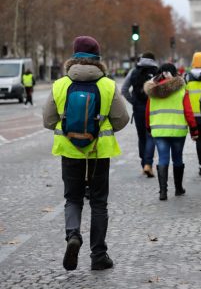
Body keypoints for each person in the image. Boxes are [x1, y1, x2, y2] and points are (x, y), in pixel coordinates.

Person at [42, 36, 129, 271]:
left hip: (69, 152)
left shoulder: (60, 85)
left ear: (73, 57)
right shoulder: (108, 85)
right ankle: (99, 255)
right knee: (99, 203)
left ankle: (73, 235)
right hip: (99, 153)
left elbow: (48, 120)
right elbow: (122, 120)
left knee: (73, 199)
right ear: (98, 59)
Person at [144, 63, 198, 200]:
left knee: (163, 158)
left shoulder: (153, 91)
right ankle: (178, 188)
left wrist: (148, 127)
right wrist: (194, 129)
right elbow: (188, 111)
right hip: (178, 130)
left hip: (159, 130)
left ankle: (163, 192)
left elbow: (148, 111)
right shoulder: (181, 90)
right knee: (178, 158)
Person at [121, 52, 158, 177]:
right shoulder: (157, 71)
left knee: (141, 136)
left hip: (138, 108)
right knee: (151, 136)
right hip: (152, 108)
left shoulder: (133, 71)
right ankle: (148, 163)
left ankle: (144, 164)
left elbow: (124, 90)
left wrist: (133, 101)